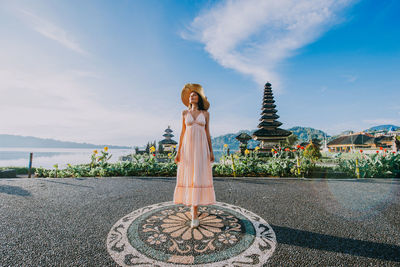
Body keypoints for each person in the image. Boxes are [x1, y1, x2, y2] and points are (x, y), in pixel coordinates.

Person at [173, 83, 216, 228]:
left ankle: (195, 210)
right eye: (191, 95)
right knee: (190, 176)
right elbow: (182, 133)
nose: (193, 96)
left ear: (199, 98)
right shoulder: (184, 113)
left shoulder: (206, 114)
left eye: (195, 94)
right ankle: (193, 210)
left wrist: (211, 151)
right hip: (188, 148)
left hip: (202, 148)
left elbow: (208, 133)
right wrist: (178, 152)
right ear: (188, 99)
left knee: (198, 176)